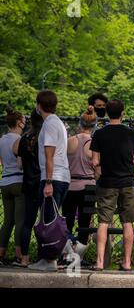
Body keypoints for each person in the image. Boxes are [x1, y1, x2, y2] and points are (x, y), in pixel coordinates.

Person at [89, 99, 134, 271]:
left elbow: (95, 161)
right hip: (127, 181)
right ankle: (127, 262)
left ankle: (99, 262)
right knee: (127, 222)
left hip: (107, 183)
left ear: (107, 112)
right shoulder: (131, 133)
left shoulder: (99, 134)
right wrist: (127, 160)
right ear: (122, 113)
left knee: (103, 222)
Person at [28, 90, 71, 271]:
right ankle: (51, 257)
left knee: (49, 220)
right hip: (59, 176)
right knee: (49, 218)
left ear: (39, 105)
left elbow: (49, 156)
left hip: (54, 177)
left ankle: (51, 259)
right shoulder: (55, 122)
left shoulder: (50, 124)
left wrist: (48, 182)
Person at [62, 106, 98, 259]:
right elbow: (98, 168)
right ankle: (78, 257)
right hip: (88, 187)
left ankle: (67, 255)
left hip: (69, 185)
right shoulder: (95, 144)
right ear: (94, 125)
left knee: (67, 221)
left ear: (79, 124)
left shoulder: (69, 141)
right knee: (84, 224)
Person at [13, 109, 43, 267]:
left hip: (28, 183)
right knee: (44, 222)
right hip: (43, 183)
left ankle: (24, 258)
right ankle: (42, 256)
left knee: (28, 223)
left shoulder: (24, 138)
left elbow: (20, 164)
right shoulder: (45, 137)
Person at [0, 107, 25, 266]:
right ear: (18, 123)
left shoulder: (1, 139)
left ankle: (1, 254)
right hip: (19, 182)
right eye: (23, 121)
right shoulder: (20, 140)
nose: (25, 123)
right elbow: (21, 165)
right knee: (20, 221)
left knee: (7, 221)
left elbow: (2, 162)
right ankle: (18, 255)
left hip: (5, 182)